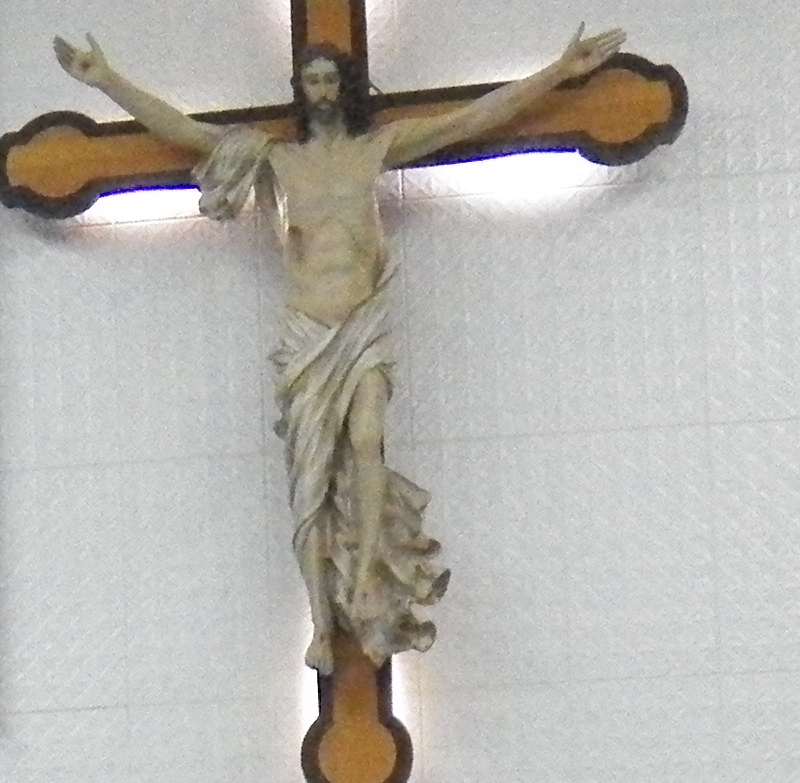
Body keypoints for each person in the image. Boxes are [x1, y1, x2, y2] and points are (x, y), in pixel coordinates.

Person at [51, 23, 625, 672]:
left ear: (344, 87)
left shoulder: (376, 149)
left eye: (329, 80)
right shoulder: (277, 160)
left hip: (362, 324)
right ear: (300, 91)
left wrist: (558, 70)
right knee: (310, 482)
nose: (321, 90)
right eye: (311, 81)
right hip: (306, 331)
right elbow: (185, 131)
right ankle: (322, 623)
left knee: (367, 440)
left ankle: (366, 574)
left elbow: (469, 119)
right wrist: (106, 78)